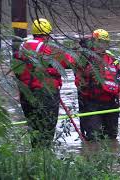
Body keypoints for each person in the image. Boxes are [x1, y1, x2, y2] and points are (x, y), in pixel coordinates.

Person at [14, 18, 75, 148]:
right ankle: (45, 158)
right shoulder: (48, 47)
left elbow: (17, 69)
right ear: (47, 34)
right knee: (47, 130)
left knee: (34, 129)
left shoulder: (23, 46)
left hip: (26, 94)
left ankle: (36, 156)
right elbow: (69, 62)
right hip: (46, 94)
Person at [75, 29, 120, 141]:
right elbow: (78, 81)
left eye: (104, 42)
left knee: (112, 138)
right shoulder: (85, 58)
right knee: (94, 138)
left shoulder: (112, 59)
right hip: (92, 104)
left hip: (111, 104)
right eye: (99, 42)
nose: (102, 45)